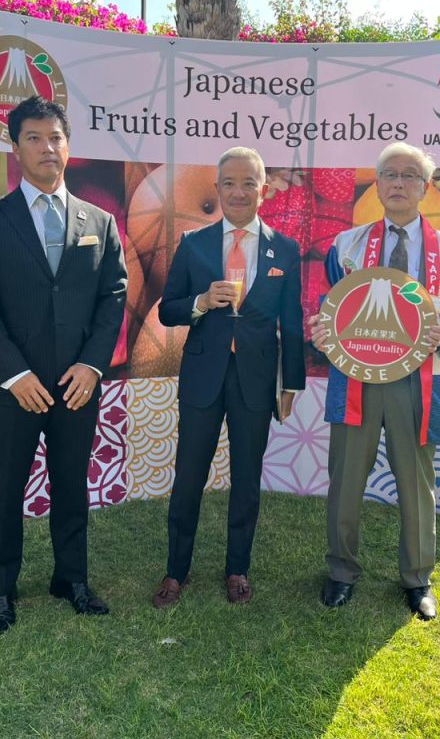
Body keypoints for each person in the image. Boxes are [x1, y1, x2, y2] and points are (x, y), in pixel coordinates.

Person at [0, 95, 128, 634]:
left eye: (55, 137)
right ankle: (1, 591)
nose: (46, 147)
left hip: (78, 385)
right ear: (15, 147)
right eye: (33, 137)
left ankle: (71, 579)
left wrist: (92, 366)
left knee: (72, 485)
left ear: (68, 145)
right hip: (17, 386)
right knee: (6, 489)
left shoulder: (99, 221)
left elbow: (113, 297)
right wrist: (13, 373)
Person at [308, 142, 440, 620]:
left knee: (416, 481)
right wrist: (321, 330)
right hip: (357, 379)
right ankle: (341, 571)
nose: (400, 183)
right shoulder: (345, 247)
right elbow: (327, 305)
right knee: (345, 479)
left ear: (425, 188)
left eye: (410, 175)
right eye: (390, 174)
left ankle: (417, 578)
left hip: (420, 382)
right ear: (379, 184)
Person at [151, 147, 306, 608]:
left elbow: (292, 322)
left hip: (255, 381)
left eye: (248, 183)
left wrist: (291, 384)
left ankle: (237, 568)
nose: (238, 192)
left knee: (246, 478)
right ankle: (176, 571)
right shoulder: (193, 244)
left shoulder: (286, 249)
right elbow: (167, 310)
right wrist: (200, 302)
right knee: (188, 477)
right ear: (217, 189)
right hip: (203, 376)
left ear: (264, 190)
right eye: (229, 183)